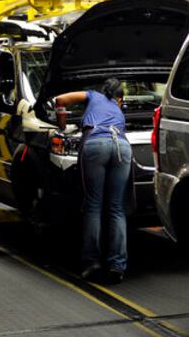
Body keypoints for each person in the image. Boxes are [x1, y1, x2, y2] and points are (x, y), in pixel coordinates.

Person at [54, 78, 132, 284]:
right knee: (116, 208)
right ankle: (117, 265)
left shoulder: (92, 96)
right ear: (120, 99)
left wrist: (62, 125)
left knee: (94, 205)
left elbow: (60, 99)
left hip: (96, 144)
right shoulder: (118, 109)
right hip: (122, 146)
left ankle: (92, 263)